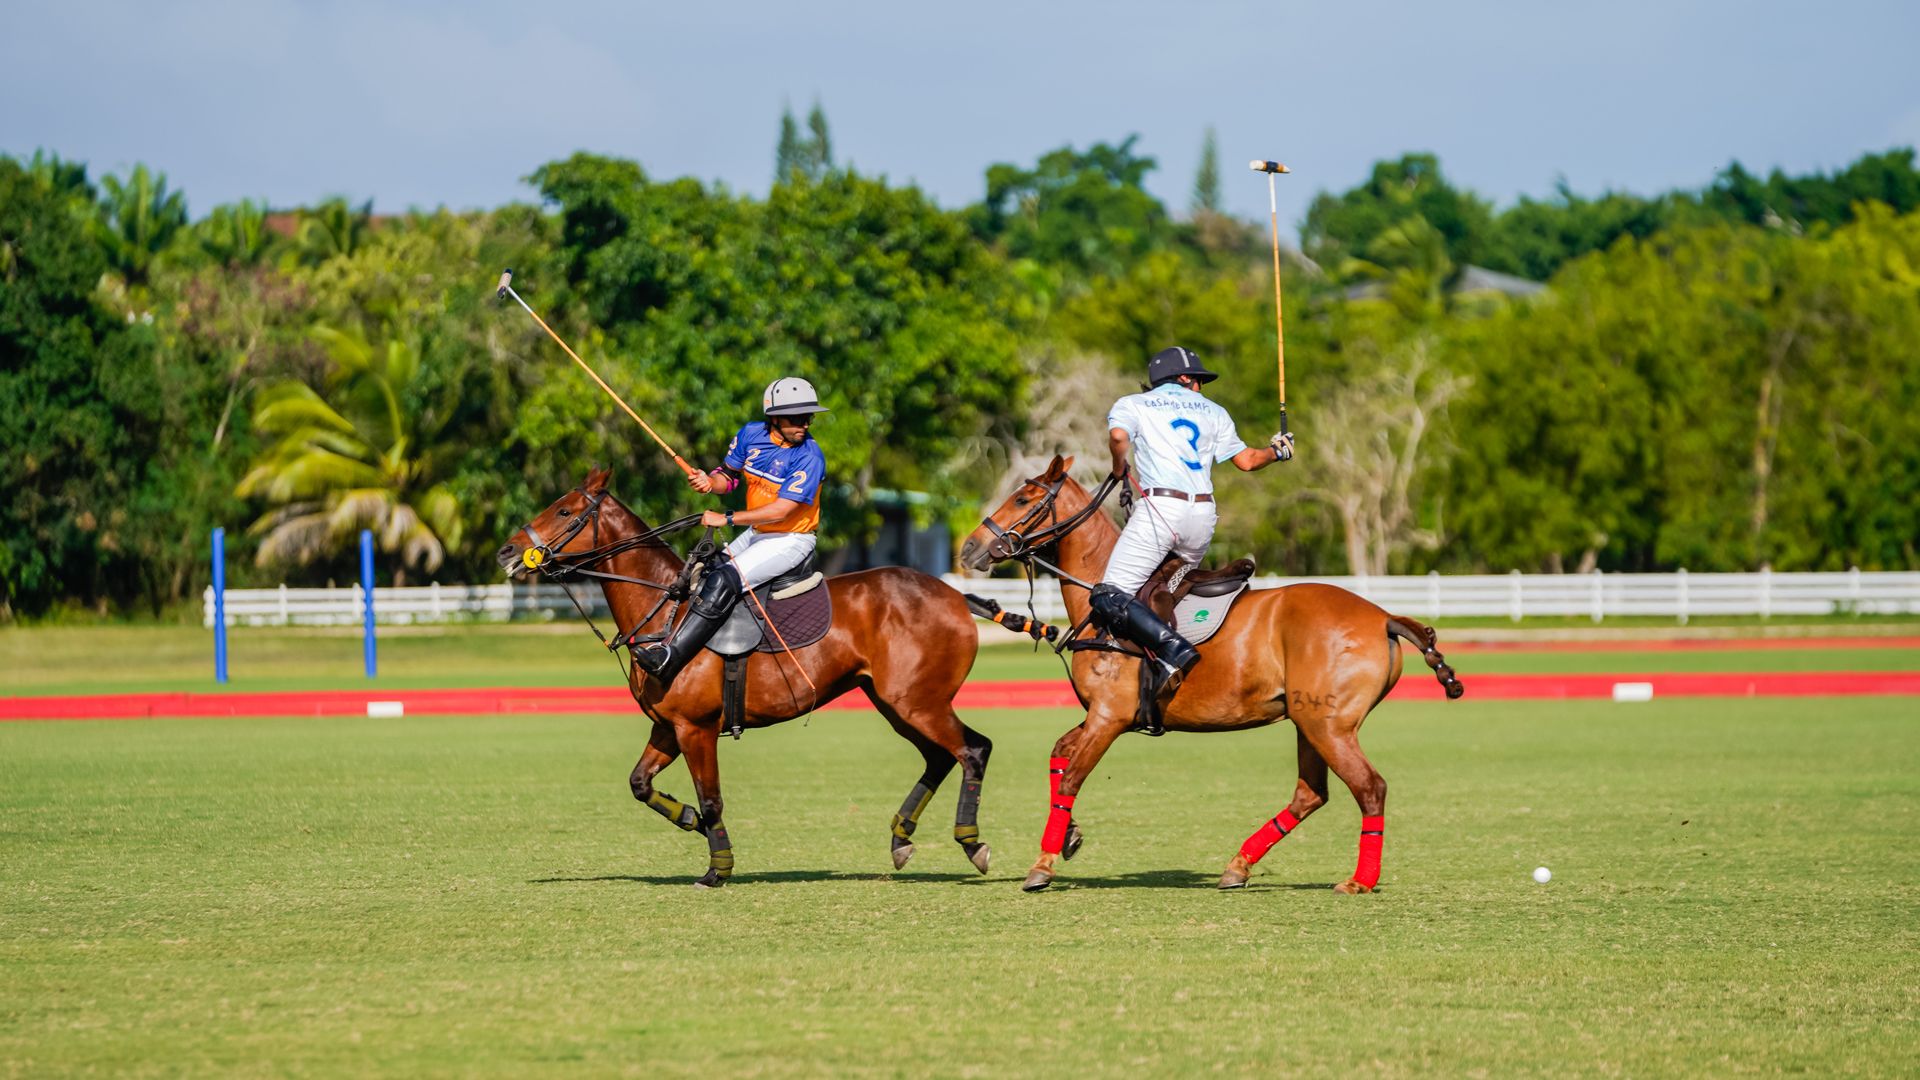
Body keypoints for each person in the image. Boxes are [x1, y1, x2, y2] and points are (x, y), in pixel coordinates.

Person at [1091, 345, 1295, 702]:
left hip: (1161, 510)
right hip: (1203, 517)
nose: (1200, 387)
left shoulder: (1132, 404)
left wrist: (1118, 465)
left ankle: (1174, 653)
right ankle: (1160, 659)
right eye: (1198, 380)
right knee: (1168, 589)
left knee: (1108, 594)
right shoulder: (1215, 411)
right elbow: (1247, 461)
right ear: (1184, 378)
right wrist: (1277, 451)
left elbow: (1119, 438)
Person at [635, 377, 830, 689]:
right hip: (758, 533)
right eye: (796, 418)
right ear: (774, 417)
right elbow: (729, 476)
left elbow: (782, 510)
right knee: (702, 568)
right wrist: (709, 483)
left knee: (724, 578)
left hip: (791, 538)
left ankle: (671, 656)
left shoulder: (809, 455)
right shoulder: (751, 434)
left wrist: (726, 518)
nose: (804, 424)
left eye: (809, 417)